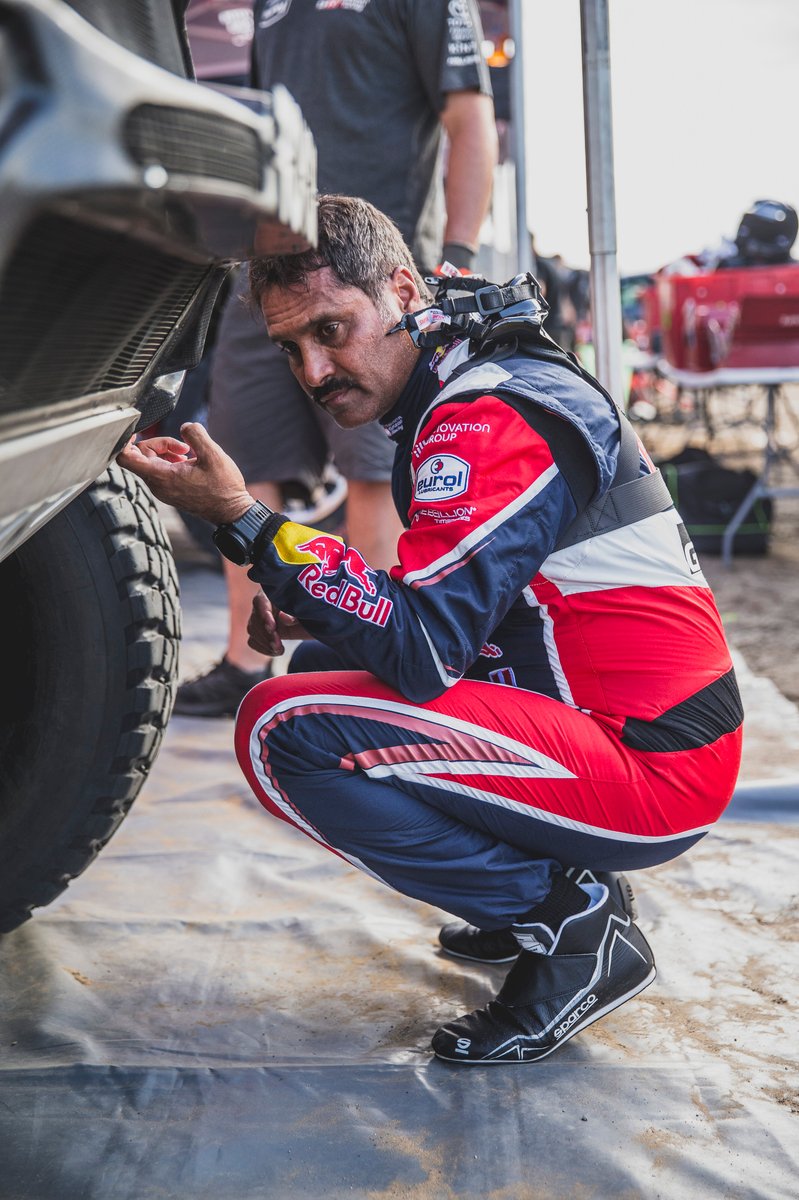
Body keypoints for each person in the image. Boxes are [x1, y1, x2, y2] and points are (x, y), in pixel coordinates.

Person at [119, 195, 743, 1065]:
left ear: (403, 289)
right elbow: (466, 605)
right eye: (291, 348)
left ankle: (568, 921)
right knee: (327, 646)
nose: (314, 369)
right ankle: (539, 896)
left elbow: (424, 647)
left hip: (651, 766)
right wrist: (315, 599)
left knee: (279, 728)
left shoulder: (486, 413)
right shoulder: (472, 382)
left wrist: (243, 522)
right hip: (623, 723)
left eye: (333, 329)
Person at [175, 0, 499, 716]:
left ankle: (377, 661)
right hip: (265, 266)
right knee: (243, 454)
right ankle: (244, 661)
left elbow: (468, 117)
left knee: (372, 468)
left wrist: (458, 257)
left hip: (366, 267)